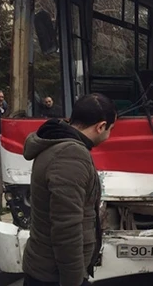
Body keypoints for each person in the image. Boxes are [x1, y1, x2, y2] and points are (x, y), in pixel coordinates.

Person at [22, 93, 117, 286]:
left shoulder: (60, 144)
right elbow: (66, 228)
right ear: (100, 126)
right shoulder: (71, 155)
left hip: (47, 268)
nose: (109, 135)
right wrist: (73, 281)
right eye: (111, 129)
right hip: (54, 275)